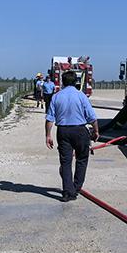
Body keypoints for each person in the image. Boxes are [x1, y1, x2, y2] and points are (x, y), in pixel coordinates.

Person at [45, 70, 98, 202]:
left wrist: (48, 135)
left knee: (66, 162)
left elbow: (50, 118)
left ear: (63, 82)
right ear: (76, 82)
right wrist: (96, 131)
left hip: (63, 132)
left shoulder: (56, 97)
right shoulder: (81, 96)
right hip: (80, 131)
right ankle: (76, 187)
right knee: (81, 159)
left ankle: (68, 193)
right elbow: (92, 117)